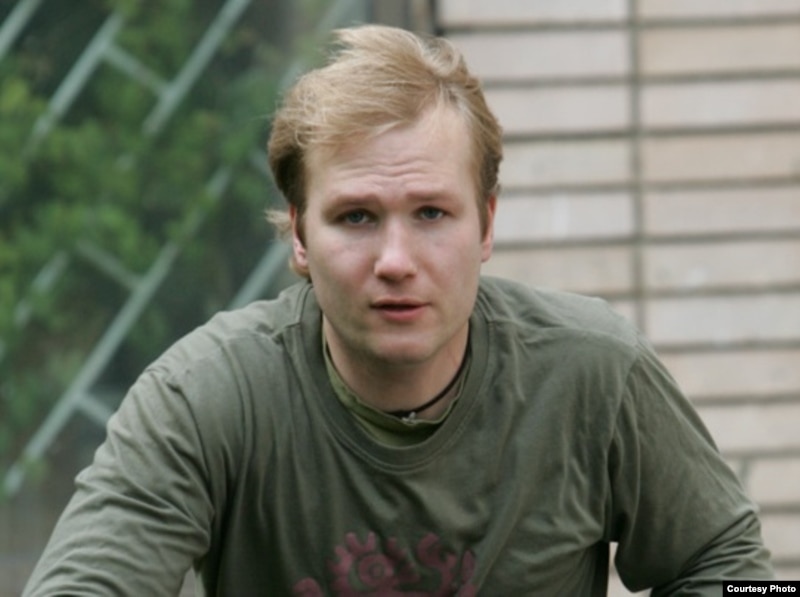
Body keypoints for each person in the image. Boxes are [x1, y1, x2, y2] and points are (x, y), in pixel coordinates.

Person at [24, 24, 773, 596]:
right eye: (355, 217)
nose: (395, 259)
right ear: (299, 235)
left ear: (486, 224)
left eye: (431, 214)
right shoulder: (206, 396)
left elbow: (736, 568)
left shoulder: (597, 372)